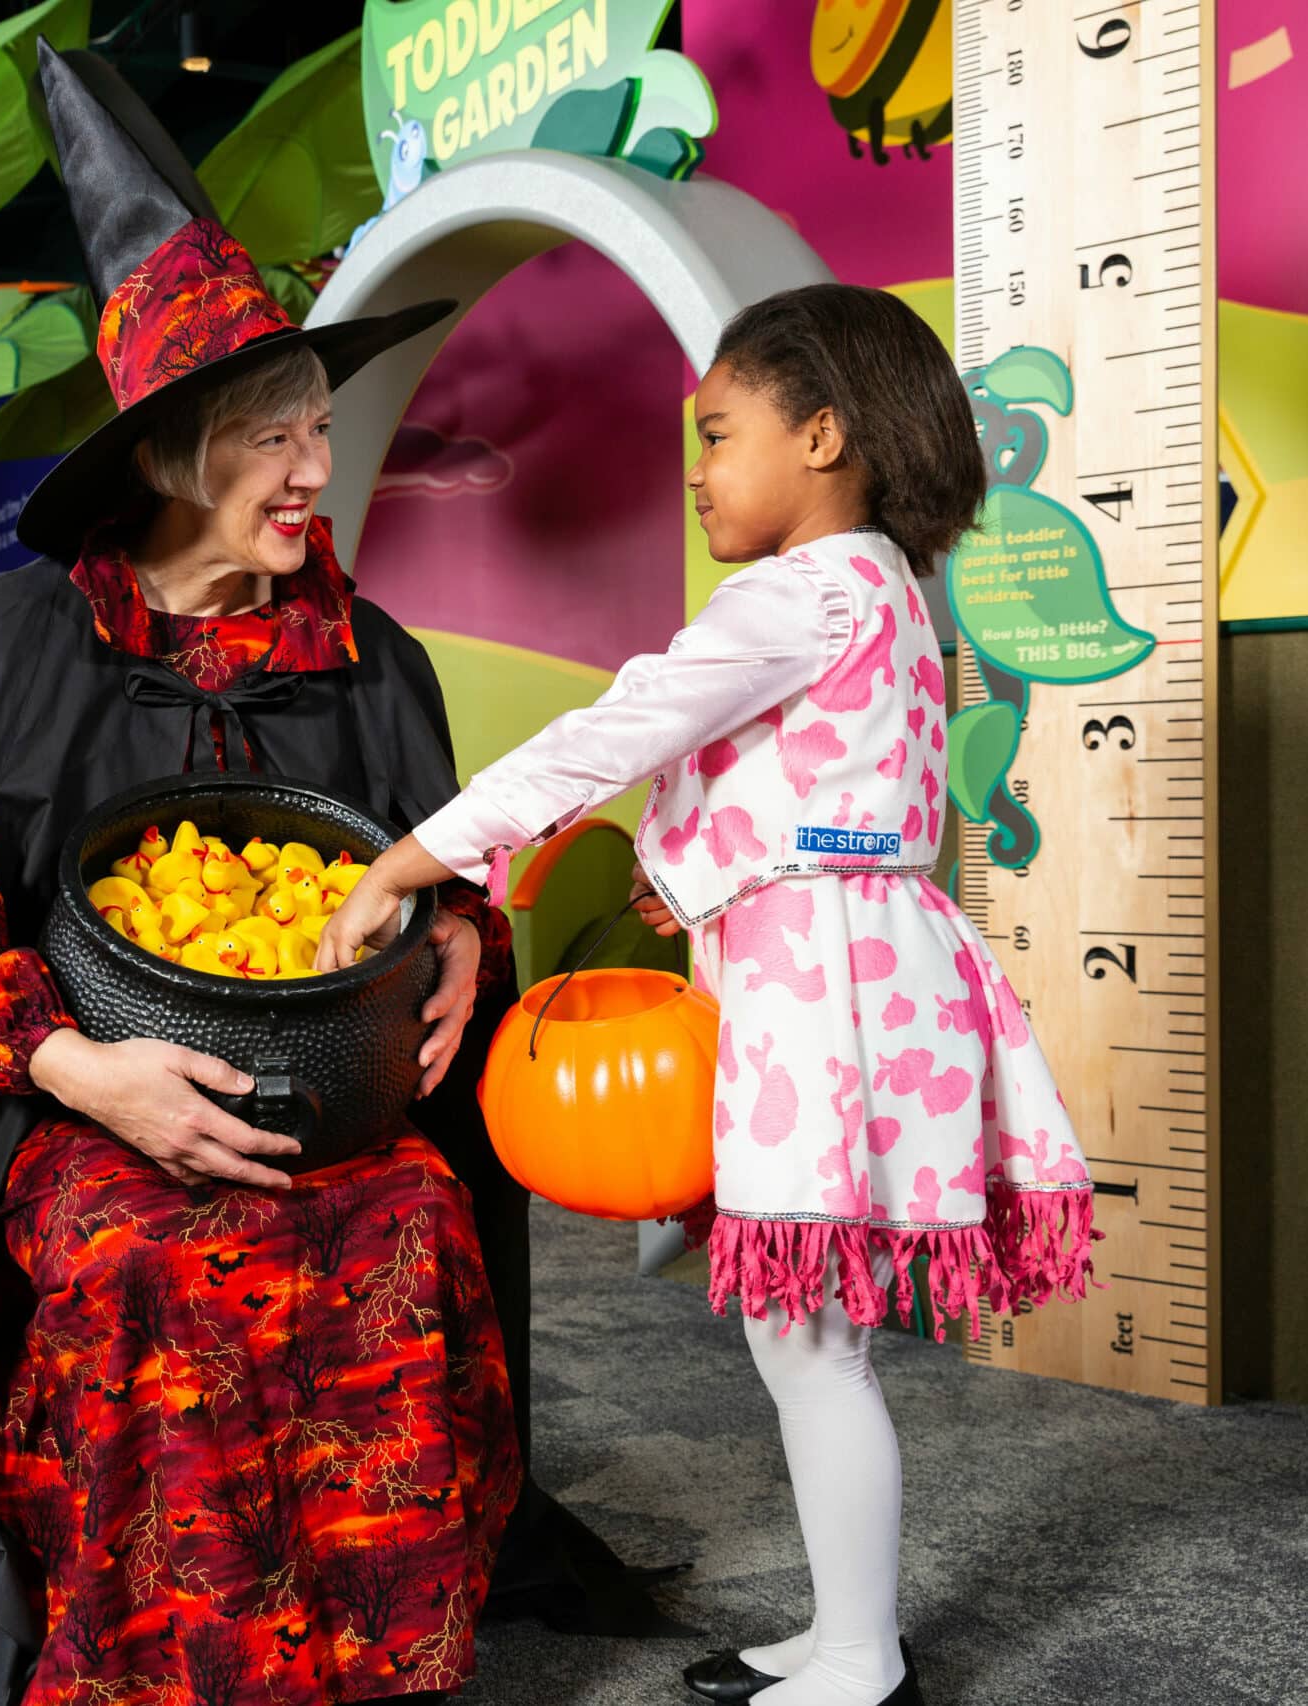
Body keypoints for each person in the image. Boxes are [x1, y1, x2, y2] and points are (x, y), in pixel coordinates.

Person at [0, 43, 651, 1706]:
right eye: (267, 437)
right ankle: (161, 1652)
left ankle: (368, 1648)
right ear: (170, 455)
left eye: (317, 427)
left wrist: (461, 934)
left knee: (410, 1216)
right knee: (154, 1255)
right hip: (73, 1108)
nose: (312, 469)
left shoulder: (366, 650)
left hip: (332, 1101)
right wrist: (87, 1068)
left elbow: (439, 859)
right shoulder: (0, 645)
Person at [320, 283, 1100, 1706]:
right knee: (805, 1338)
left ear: (821, 434)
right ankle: (841, 1626)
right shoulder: (881, 590)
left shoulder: (803, 589)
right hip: (846, 967)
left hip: (822, 990)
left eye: (720, 431)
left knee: (808, 1340)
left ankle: (860, 1655)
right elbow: (798, 790)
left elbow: (625, 723)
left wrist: (413, 857)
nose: (696, 467)